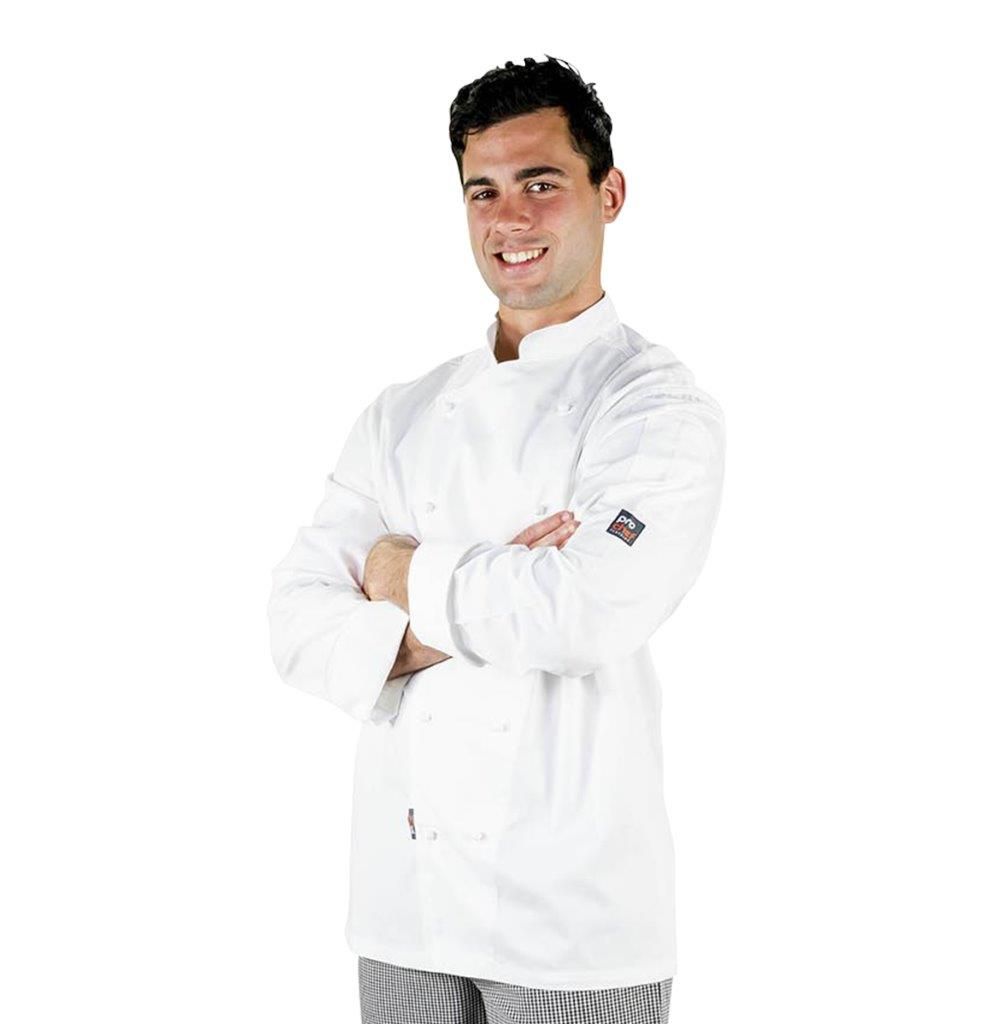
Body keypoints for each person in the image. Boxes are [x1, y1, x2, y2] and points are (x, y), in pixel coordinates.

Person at [267, 54, 726, 1024]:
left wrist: (398, 572)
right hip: (404, 903)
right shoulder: (401, 413)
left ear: (609, 194)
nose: (508, 217)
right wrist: (500, 582)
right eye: (483, 190)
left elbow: (584, 611)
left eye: (540, 183)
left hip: (573, 919)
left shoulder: (653, 406)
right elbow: (296, 626)